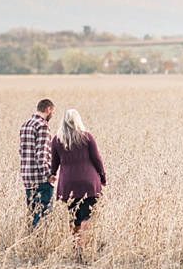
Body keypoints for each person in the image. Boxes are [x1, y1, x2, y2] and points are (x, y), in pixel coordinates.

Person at [50, 109, 106, 256]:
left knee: (73, 214)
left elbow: (54, 163)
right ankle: (84, 245)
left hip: (68, 184)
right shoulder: (87, 137)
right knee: (87, 213)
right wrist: (103, 176)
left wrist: (52, 174)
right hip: (89, 182)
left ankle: (76, 246)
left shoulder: (57, 140)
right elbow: (97, 159)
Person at [19, 98, 56, 228]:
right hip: (41, 179)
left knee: (32, 214)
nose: (52, 115)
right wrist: (48, 175)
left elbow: (21, 150)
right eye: (53, 112)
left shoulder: (25, 124)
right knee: (43, 217)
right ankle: (40, 246)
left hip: (27, 178)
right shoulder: (43, 126)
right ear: (48, 110)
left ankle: (31, 244)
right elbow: (42, 154)